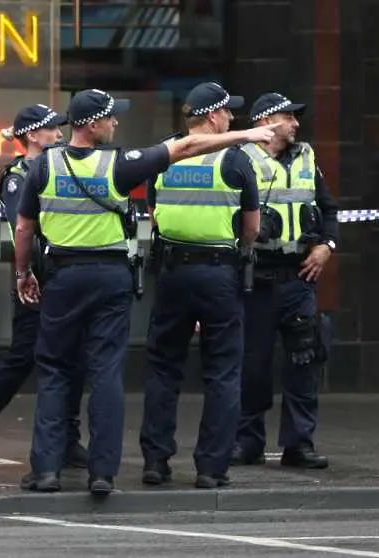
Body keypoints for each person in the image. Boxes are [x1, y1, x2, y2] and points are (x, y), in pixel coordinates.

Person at [15, 88, 278, 495]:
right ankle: (106, 473)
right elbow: (193, 155)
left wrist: (21, 273)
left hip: (67, 277)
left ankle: (50, 470)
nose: (115, 122)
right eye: (109, 116)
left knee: (55, 371)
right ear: (90, 124)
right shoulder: (120, 165)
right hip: (122, 277)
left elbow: (23, 228)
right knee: (109, 372)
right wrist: (247, 136)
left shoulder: (45, 165)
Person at [139, 82, 262, 489]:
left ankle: (155, 462)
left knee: (162, 368)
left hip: (173, 271)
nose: (232, 118)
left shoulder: (163, 154)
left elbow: (153, 212)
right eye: (228, 112)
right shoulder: (236, 159)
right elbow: (252, 228)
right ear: (213, 116)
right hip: (219, 273)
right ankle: (211, 468)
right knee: (223, 371)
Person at [0, 105, 89, 472]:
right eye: (52, 129)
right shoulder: (18, 175)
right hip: (35, 277)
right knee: (23, 358)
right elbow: (27, 225)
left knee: (75, 358)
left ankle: (67, 439)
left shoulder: (63, 167)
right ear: (33, 135)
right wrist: (28, 272)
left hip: (66, 274)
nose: (60, 135)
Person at [231, 92, 337, 470]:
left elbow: (328, 210)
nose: (295, 124)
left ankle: (299, 445)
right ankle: (247, 442)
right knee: (252, 364)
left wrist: (327, 245)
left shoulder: (306, 157)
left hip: (299, 277)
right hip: (256, 279)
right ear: (265, 121)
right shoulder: (240, 157)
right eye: (288, 117)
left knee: (305, 359)